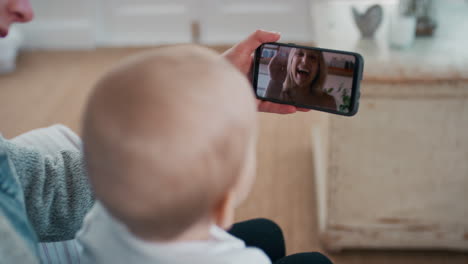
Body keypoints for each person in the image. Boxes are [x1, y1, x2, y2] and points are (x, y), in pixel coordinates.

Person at [0, 0, 331, 263]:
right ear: (223, 208)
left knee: (268, 233)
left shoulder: (98, 221)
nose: (27, 11)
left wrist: (202, 94)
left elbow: (34, 187)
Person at [266, 47, 336, 110]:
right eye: (300, 54)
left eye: (312, 57)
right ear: (291, 61)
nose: (305, 61)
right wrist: (275, 81)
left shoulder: (328, 103)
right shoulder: (276, 93)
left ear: (318, 68)